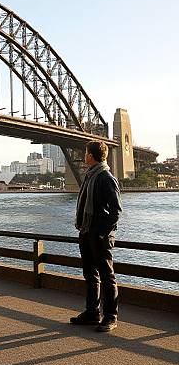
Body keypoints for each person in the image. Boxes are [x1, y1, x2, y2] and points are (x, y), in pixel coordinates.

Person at [70, 140, 122, 332]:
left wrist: (101, 233)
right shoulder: (90, 176)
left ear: (90, 156)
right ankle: (92, 312)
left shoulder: (106, 177)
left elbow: (116, 211)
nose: (84, 156)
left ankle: (110, 316)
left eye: (85, 153)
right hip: (86, 231)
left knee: (107, 276)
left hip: (99, 235)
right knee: (90, 274)